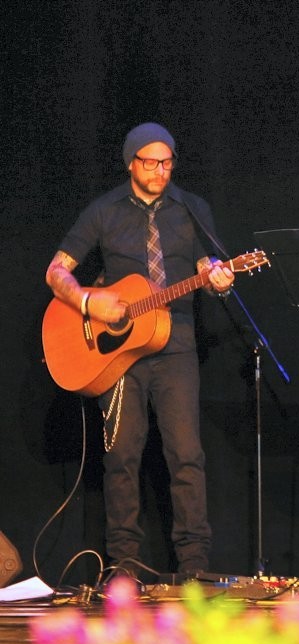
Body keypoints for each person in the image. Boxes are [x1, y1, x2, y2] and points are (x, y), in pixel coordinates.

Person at [45, 122, 234, 575]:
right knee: (122, 458)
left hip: (176, 346)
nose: (160, 171)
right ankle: (124, 565)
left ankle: (194, 563)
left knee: (186, 455)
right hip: (118, 354)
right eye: (150, 163)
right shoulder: (103, 211)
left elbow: (208, 266)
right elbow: (56, 272)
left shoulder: (191, 209)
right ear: (131, 163)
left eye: (167, 163)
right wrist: (89, 301)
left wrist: (220, 281)